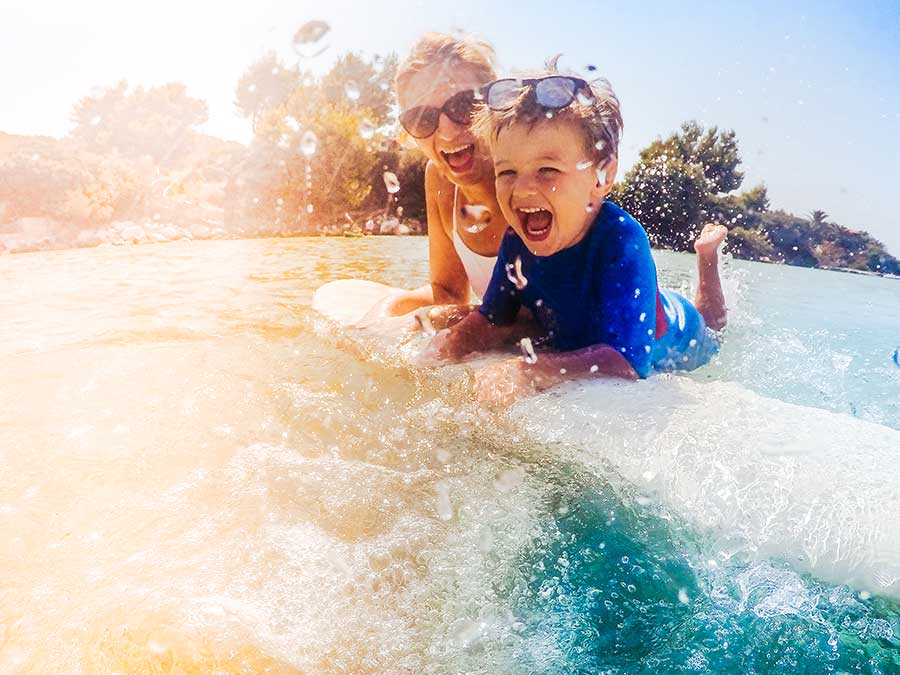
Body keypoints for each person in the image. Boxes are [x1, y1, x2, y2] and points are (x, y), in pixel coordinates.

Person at [431, 70, 728, 404]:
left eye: (547, 170)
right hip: (628, 304)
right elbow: (493, 319)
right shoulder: (516, 239)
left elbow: (629, 362)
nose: (523, 189)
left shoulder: (621, 239)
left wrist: (529, 370)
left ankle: (707, 256)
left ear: (602, 176)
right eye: (507, 172)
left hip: (682, 330)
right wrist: (445, 347)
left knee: (714, 327)